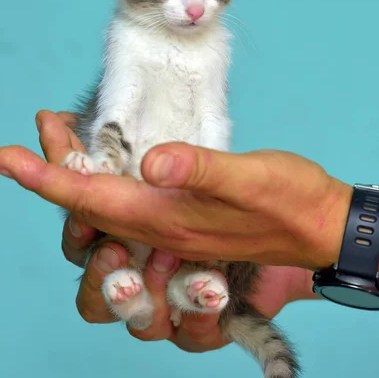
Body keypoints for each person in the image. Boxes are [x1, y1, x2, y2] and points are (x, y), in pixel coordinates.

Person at [0, 110, 353, 352]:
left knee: (128, 256)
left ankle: (167, 291)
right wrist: (301, 257)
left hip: (175, 227)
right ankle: (162, 293)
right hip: (152, 218)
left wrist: (330, 220)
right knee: (120, 245)